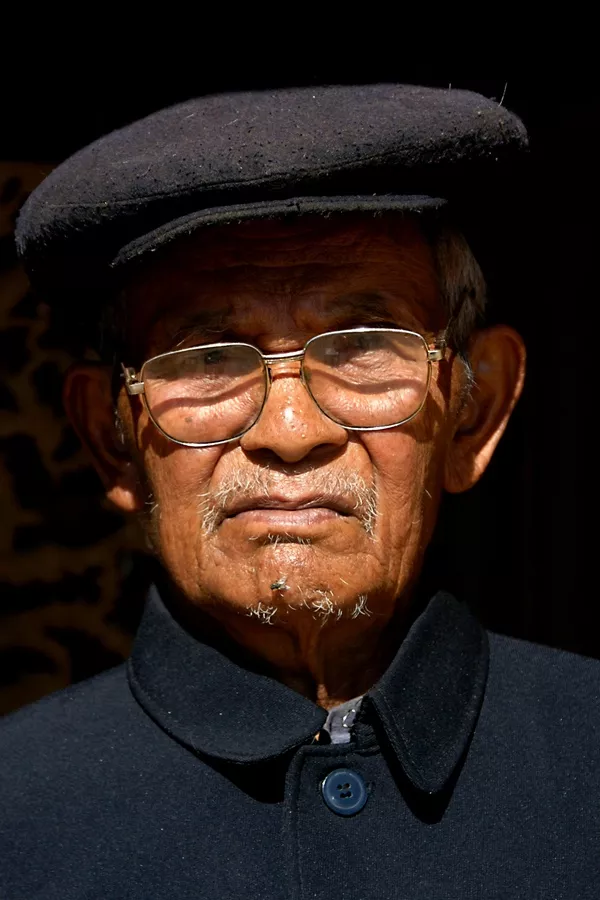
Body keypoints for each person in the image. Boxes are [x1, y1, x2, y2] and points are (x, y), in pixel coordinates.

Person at [1, 84, 598, 899]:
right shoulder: (20, 818)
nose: (289, 430)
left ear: (474, 412)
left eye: (361, 349)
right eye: (209, 358)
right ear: (114, 443)